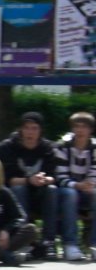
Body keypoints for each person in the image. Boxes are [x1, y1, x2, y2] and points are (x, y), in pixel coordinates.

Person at [0, 111, 58, 259]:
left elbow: (54, 175)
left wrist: (46, 179)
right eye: (27, 128)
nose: (30, 132)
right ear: (21, 129)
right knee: (19, 188)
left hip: (41, 192)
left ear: (40, 131)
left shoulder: (48, 148)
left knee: (52, 189)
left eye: (34, 128)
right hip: (17, 194)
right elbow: (9, 179)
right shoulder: (9, 146)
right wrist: (29, 180)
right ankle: (24, 241)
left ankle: (49, 241)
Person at [53, 111, 96, 261]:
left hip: (88, 188)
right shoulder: (62, 146)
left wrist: (89, 185)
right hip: (67, 189)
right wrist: (77, 185)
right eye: (76, 126)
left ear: (90, 130)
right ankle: (70, 244)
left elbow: (94, 173)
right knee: (71, 194)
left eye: (84, 127)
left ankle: (94, 244)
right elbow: (60, 177)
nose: (80, 130)